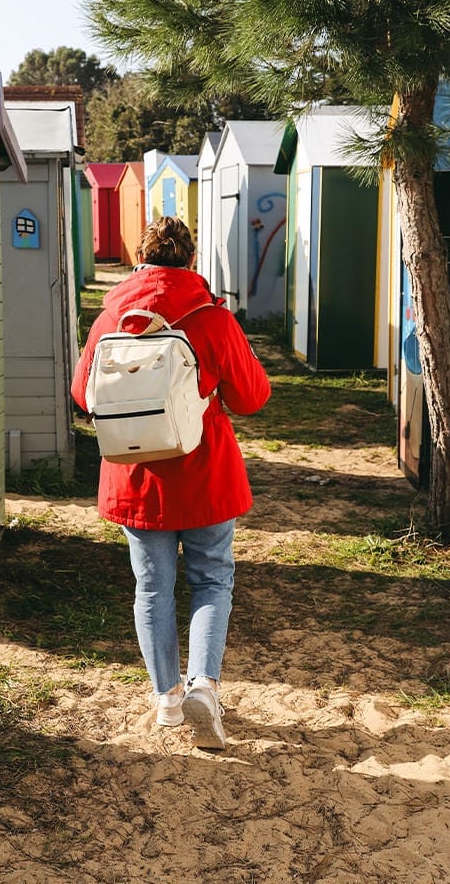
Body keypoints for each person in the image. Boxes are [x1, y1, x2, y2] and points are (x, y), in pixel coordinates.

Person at [70, 216, 271, 749]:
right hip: (203, 472)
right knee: (210, 580)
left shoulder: (113, 313)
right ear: (190, 258)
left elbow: (82, 394)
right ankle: (205, 685)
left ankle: (167, 698)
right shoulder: (210, 317)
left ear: (140, 257)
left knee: (152, 587)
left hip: (135, 473)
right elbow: (252, 398)